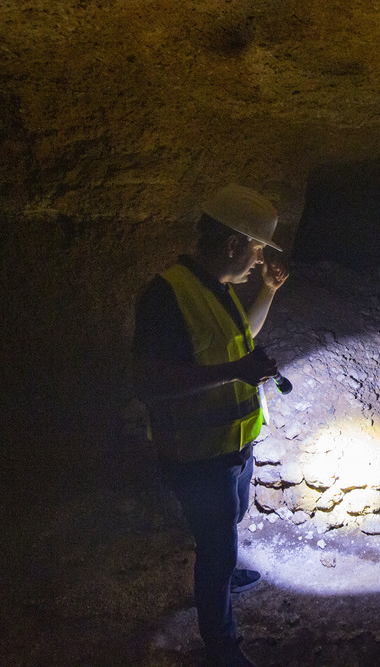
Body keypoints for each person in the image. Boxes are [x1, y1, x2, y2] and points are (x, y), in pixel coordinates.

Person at [132, 184, 289, 666]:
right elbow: (152, 382)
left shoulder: (215, 289)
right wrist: (232, 373)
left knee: (232, 521)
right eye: (257, 250)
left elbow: (243, 338)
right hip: (198, 455)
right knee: (217, 549)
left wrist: (267, 291)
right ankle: (222, 647)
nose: (258, 260)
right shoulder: (166, 296)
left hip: (234, 447)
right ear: (232, 244)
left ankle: (223, 575)